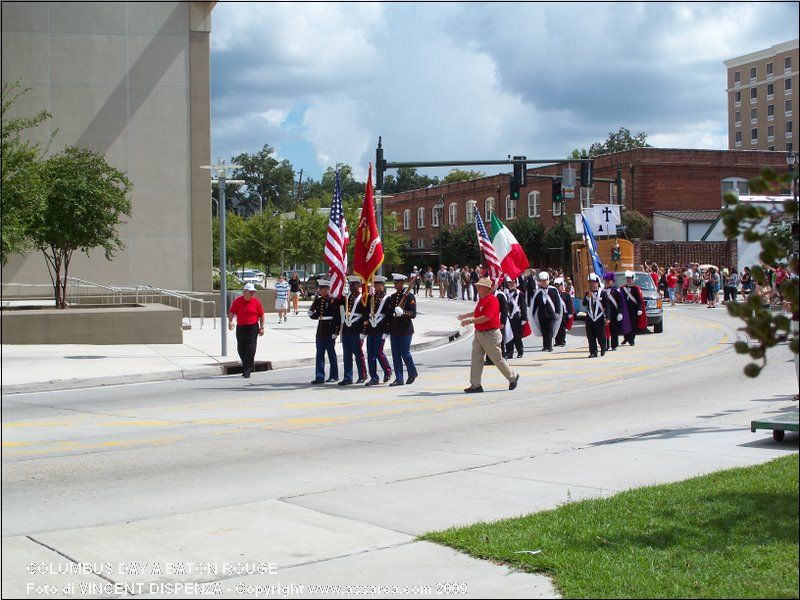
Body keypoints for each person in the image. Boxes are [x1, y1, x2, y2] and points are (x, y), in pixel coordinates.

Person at [458, 277, 519, 393]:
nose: (477, 288)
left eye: (480, 286)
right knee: (476, 359)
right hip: (479, 333)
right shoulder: (482, 299)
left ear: (486, 288)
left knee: (497, 359)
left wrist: (470, 321)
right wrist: (465, 316)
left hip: (490, 334)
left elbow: (487, 317)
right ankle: (475, 385)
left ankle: (512, 377)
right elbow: (477, 312)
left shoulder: (492, 300)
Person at [227, 283, 265, 378]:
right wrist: (230, 322)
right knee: (241, 348)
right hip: (241, 327)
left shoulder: (256, 302)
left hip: (253, 327)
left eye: (254, 292)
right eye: (251, 292)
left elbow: (261, 315)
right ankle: (247, 365)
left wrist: (262, 327)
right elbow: (231, 312)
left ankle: (247, 371)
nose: (253, 293)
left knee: (250, 349)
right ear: (244, 292)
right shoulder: (238, 301)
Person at [387, 274, 418, 386]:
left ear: (402, 283)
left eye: (397, 283)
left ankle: (412, 372)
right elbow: (389, 315)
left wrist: (403, 312)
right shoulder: (393, 297)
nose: (395, 285)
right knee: (395, 354)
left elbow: (413, 314)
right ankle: (399, 378)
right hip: (394, 329)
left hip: (405, 330)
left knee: (405, 353)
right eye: (394, 283)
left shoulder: (409, 296)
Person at [307, 280, 341, 384]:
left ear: (327, 289)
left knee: (331, 354)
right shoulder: (318, 300)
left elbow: (337, 318)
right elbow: (316, 315)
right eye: (319, 288)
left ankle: (334, 375)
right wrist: (311, 314)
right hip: (321, 329)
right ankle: (319, 376)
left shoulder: (332, 300)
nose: (320, 290)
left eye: (322, 288)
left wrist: (336, 331)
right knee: (319, 354)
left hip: (330, 329)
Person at [338, 276, 368, 385]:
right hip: (347, 329)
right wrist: (342, 295)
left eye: (353, 285)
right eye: (350, 285)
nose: (351, 287)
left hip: (357, 329)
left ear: (359, 286)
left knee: (358, 355)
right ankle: (348, 377)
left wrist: (363, 332)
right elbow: (339, 306)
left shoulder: (363, 298)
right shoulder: (348, 297)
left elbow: (365, 317)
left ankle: (362, 375)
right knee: (347, 355)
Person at [364, 275, 392, 386]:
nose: (376, 286)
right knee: (370, 353)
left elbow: (388, 316)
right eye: (374, 284)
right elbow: (366, 312)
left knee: (378, 352)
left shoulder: (387, 298)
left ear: (382, 285)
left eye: (378, 284)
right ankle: (374, 378)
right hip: (371, 328)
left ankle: (387, 370)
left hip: (381, 328)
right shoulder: (371, 297)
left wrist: (386, 331)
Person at [528, 271, 562, 352]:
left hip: (551, 314)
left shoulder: (553, 290)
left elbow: (557, 302)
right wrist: (531, 314)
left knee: (550, 330)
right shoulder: (538, 292)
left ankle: (549, 346)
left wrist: (557, 312)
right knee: (544, 330)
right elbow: (534, 305)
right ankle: (545, 346)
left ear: (548, 280)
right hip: (542, 315)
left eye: (545, 280)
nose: (543, 282)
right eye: (542, 281)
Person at [601, 272, 631, 351]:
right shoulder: (603, 291)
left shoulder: (616, 291)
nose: (606, 282)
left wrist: (620, 313)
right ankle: (607, 345)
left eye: (608, 281)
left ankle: (614, 345)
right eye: (605, 281)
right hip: (605, 314)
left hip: (614, 314)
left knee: (614, 330)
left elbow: (621, 303)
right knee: (606, 330)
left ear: (612, 281)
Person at [620, 270, 647, 346]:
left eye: (630, 278)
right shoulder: (622, 288)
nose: (628, 280)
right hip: (625, 309)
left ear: (632, 279)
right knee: (625, 324)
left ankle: (631, 340)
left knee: (633, 325)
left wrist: (639, 309)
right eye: (627, 278)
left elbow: (639, 300)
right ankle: (626, 338)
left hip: (634, 310)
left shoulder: (636, 289)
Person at [583, 273, 607, 358]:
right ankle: (593, 352)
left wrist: (607, 317)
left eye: (593, 283)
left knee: (601, 335)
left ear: (598, 283)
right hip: (590, 317)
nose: (592, 285)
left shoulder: (603, 293)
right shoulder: (588, 293)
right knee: (590, 336)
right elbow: (584, 304)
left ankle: (603, 347)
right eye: (590, 283)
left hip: (599, 317)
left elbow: (607, 306)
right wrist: (587, 297)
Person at [504, 277, 528, 358]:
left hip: (517, 317)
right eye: (509, 283)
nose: (511, 284)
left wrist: (524, 318)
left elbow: (523, 306)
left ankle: (520, 352)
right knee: (509, 336)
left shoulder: (519, 293)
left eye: (513, 283)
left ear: (516, 283)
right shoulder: (505, 294)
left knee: (517, 336)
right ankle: (509, 353)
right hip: (508, 318)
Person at [553, 277, 574, 347]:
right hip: (556, 313)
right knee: (556, 327)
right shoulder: (553, 294)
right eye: (556, 286)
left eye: (559, 286)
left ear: (562, 286)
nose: (557, 288)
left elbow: (569, 305)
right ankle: (557, 341)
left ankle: (562, 341)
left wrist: (570, 313)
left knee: (562, 328)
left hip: (564, 314)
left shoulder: (566, 295)